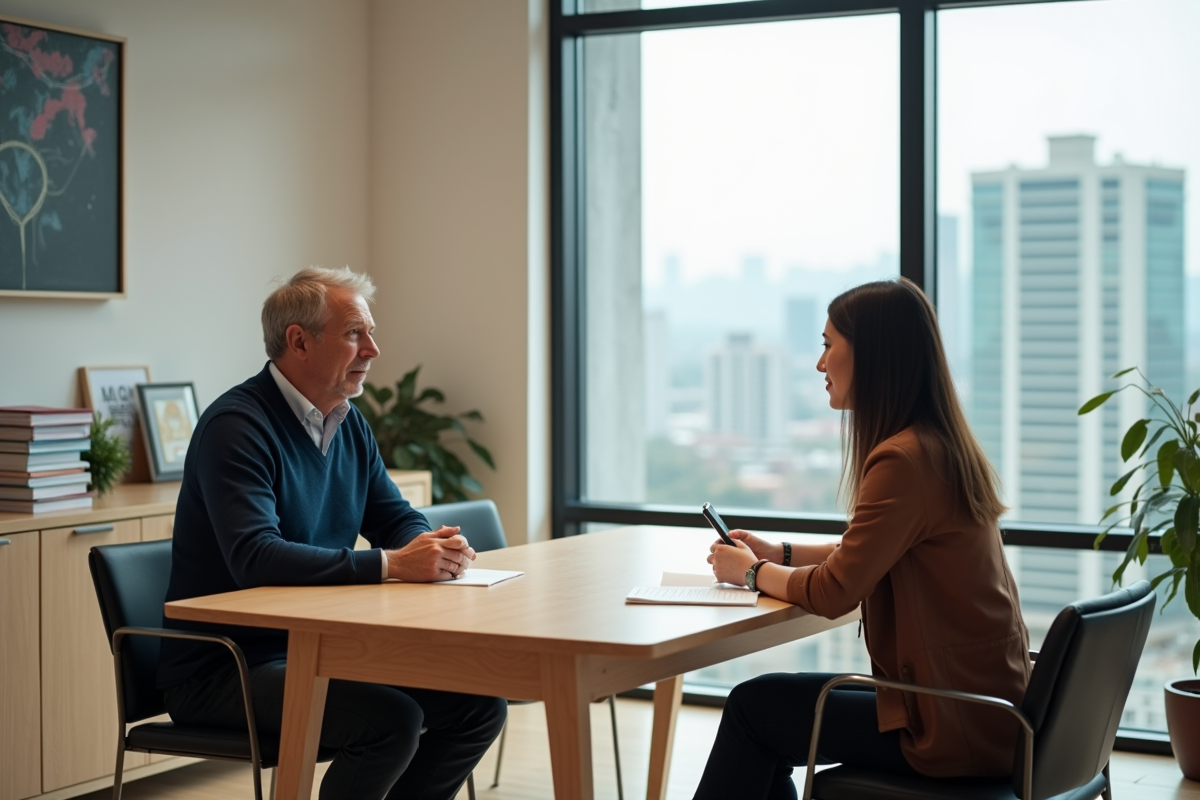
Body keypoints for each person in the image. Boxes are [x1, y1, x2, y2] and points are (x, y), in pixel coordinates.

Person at [157, 267, 506, 800]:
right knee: (389, 720)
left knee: (477, 706)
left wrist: (429, 547)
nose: (373, 349)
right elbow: (256, 556)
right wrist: (393, 566)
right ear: (299, 341)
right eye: (354, 334)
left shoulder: (347, 421)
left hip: (320, 648)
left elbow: (394, 516)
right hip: (226, 664)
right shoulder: (237, 426)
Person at [694, 278, 1030, 800]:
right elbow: (862, 553)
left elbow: (836, 591)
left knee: (752, 710)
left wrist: (751, 573)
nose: (820, 363)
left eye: (829, 345)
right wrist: (775, 552)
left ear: (872, 356)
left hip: (946, 725)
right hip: (983, 711)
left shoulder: (904, 460)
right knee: (765, 714)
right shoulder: (936, 445)